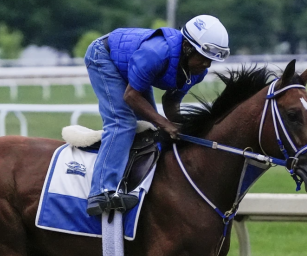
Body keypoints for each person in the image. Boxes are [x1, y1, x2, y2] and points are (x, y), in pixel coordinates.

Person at [84, 15, 230, 216]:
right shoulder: (157, 53)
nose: (207, 65)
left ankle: (132, 183)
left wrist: (184, 127)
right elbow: (131, 96)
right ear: (187, 48)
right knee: (122, 123)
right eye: (204, 58)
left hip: (131, 65)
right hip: (103, 55)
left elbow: (171, 101)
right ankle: (101, 192)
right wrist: (165, 124)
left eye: (211, 60)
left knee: (149, 129)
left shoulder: (197, 72)